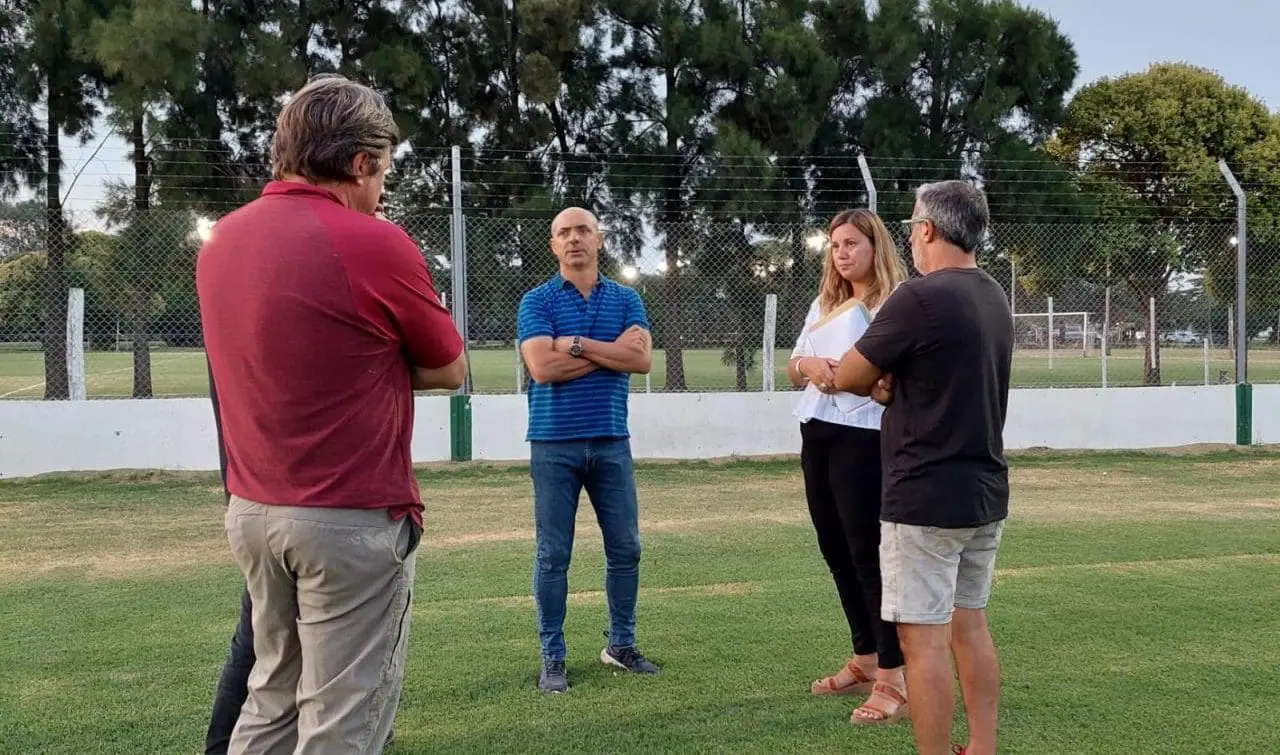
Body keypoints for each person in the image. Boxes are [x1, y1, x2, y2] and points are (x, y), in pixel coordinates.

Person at [197, 74, 466, 753]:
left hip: (253, 509)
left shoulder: (223, 241)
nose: (383, 190)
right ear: (360, 162)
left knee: (268, 699)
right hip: (346, 517)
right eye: (384, 171)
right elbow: (450, 366)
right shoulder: (374, 241)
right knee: (342, 720)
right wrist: (367, 361)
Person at [201, 201, 401, 755]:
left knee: (270, 683)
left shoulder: (230, 253)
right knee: (334, 707)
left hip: (254, 505)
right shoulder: (340, 260)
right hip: (327, 506)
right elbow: (448, 363)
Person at [833, 180, 1012, 755]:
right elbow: (940, 380)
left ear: (928, 230)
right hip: (983, 491)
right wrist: (895, 387)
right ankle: (981, 746)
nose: (910, 233)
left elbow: (849, 376)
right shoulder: (993, 295)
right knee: (972, 626)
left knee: (923, 643)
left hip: (923, 496)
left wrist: (883, 384)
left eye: (912, 224)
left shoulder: (918, 297)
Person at [516, 206, 659, 694]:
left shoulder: (627, 298)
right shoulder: (536, 300)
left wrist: (573, 344)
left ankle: (621, 644)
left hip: (611, 441)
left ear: (599, 239)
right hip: (553, 444)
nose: (574, 239)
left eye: (583, 231)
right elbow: (542, 369)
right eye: (563, 233)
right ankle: (552, 655)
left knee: (626, 547)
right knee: (554, 554)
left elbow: (640, 361)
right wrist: (606, 352)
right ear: (553, 245)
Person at [787, 208, 909, 726]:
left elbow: (895, 382)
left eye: (852, 243)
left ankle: (893, 674)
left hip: (864, 436)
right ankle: (862, 658)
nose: (841, 253)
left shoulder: (897, 303)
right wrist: (810, 367)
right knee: (834, 548)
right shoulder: (826, 302)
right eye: (835, 244)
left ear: (875, 247)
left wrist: (866, 380)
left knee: (867, 555)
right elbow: (793, 367)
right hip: (818, 430)